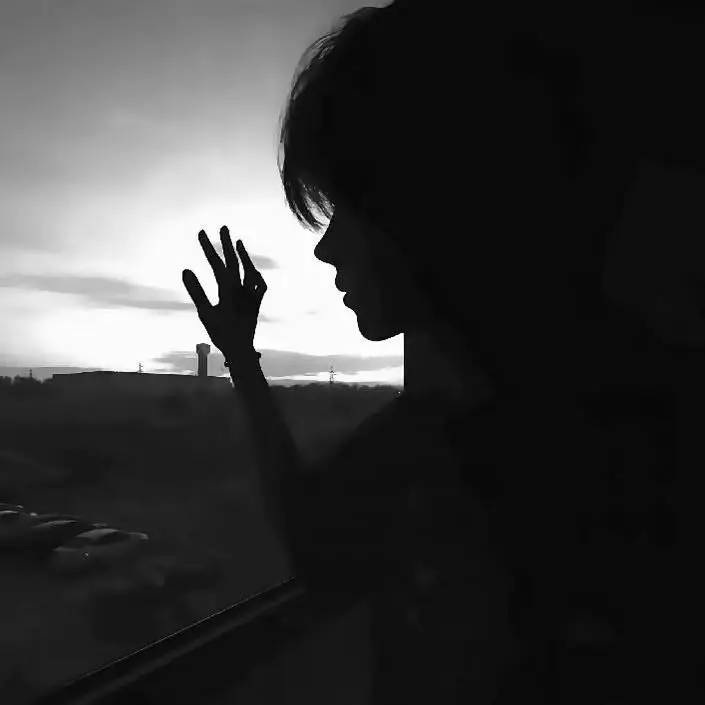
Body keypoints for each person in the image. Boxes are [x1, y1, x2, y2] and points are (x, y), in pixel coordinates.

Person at [182, 1, 697, 702]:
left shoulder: (589, 448)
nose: (326, 249)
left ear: (425, 204)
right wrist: (240, 357)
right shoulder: (440, 428)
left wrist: (242, 360)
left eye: (346, 209)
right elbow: (320, 544)